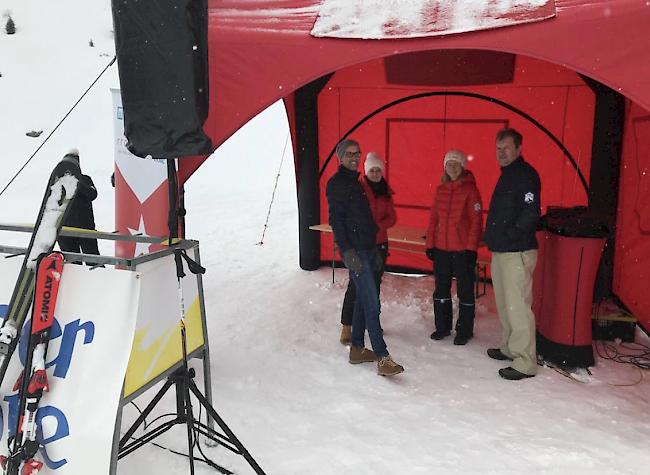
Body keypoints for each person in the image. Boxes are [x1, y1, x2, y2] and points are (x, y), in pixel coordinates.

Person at [326, 139, 404, 377]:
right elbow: (336, 221)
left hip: (370, 248)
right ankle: (382, 356)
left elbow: (366, 219)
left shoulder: (357, 183)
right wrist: (346, 251)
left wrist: (376, 248)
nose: (354, 157)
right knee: (372, 303)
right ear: (340, 157)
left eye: (356, 153)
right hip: (356, 252)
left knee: (362, 299)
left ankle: (357, 349)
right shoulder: (337, 184)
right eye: (349, 154)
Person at [483, 128, 541, 380]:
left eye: (506, 148)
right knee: (505, 304)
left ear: (518, 148)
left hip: (516, 251)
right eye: (498, 148)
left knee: (518, 306)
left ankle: (526, 361)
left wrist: (511, 236)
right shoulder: (508, 175)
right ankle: (510, 348)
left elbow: (530, 213)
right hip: (502, 250)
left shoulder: (526, 176)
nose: (501, 153)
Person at [425, 150, 483, 346]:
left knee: (465, 291)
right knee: (441, 289)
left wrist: (471, 249)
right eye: (449, 164)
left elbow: (476, 222)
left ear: (463, 166)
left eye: (456, 164)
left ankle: (464, 330)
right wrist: (430, 244)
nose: (452, 167)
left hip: (461, 250)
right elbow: (433, 220)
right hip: (442, 248)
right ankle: (442, 327)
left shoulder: (471, 190)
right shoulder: (441, 189)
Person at [339, 152, 396, 345]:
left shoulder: (385, 190)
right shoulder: (358, 189)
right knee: (355, 285)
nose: (375, 173)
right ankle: (347, 326)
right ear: (366, 171)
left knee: (374, 286)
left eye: (378, 170)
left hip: (379, 244)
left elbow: (392, 217)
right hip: (361, 244)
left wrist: (377, 227)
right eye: (372, 170)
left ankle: (372, 322)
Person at [57, 150, 100, 257]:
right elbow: (51, 203)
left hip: (85, 228)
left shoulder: (85, 179)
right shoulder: (58, 181)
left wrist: (77, 182)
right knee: (72, 262)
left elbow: (92, 194)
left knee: (92, 259)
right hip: (65, 229)